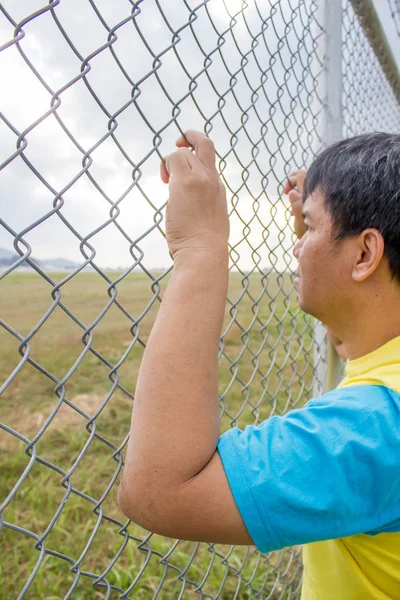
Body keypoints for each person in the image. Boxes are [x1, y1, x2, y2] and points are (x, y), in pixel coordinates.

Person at [118, 130, 400, 599]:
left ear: (366, 253)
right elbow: (356, 336)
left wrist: (199, 248)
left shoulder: (376, 429)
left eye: (308, 230)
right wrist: (330, 234)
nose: (297, 245)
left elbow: (160, 492)